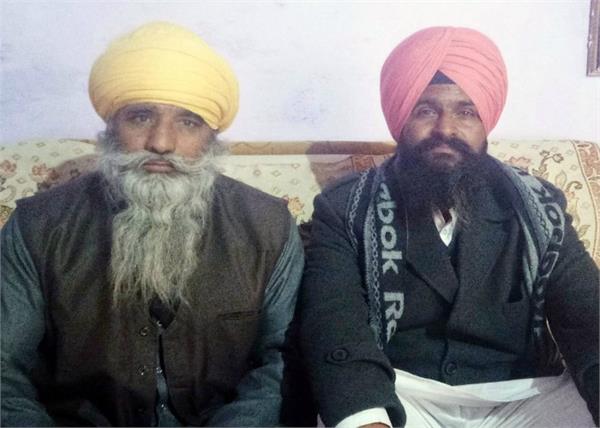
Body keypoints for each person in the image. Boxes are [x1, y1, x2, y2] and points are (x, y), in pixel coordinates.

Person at [1, 22, 303, 427]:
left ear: (211, 138)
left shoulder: (268, 226)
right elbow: (3, 368)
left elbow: (283, 361)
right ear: (111, 127)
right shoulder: (38, 226)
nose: (161, 142)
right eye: (141, 117)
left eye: (188, 122)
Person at [295, 26, 599, 427]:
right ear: (401, 118)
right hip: (402, 394)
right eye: (425, 110)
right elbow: (335, 323)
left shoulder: (540, 208)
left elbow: (587, 315)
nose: (446, 129)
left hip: (521, 398)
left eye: (466, 112)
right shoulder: (345, 208)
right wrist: (369, 419)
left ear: (486, 121)